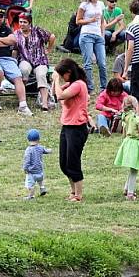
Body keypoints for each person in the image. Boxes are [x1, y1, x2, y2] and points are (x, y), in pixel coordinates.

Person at [0, 6, 32, 115]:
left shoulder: (6, 28)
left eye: (2, 17)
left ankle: (23, 105)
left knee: (18, 77)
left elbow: (13, 40)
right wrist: (4, 42)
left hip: (7, 58)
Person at [52, 58, 89, 202]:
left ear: (69, 72)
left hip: (77, 128)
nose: (61, 78)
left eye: (63, 75)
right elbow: (57, 94)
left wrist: (56, 81)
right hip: (67, 126)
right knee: (64, 163)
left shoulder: (79, 85)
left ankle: (78, 195)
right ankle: (73, 191)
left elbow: (60, 95)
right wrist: (57, 83)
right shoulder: (71, 84)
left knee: (73, 161)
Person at [14, 12, 55, 111]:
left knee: (41, 75)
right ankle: (22, 100)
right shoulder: (16, 34)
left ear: (30, 23)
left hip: (40, 59)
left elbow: (52, 36)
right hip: (25, 59)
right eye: (20, 22)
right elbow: (14, 50)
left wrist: (48, 49)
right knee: (23, 70)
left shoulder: (37, 31)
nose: (22, 24)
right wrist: (14, 61)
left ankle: (44, 103)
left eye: (25, 22)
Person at [113, 96, 139, 201]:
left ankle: (126, 188)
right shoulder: (137, 118)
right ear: (135, 106)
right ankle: (130, 193)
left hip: (128, 142)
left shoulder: (126, 116)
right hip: (135, 144)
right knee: (134, 169)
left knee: (131, 168)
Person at [76, 0, 107, 93]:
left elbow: (103, 21)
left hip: (98, 35)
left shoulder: (101, 4)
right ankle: (90, 87)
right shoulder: (84, 5)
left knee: (102, 63)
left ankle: (104, 87)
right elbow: (78, 20)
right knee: (88, 63)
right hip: (86, 34)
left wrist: (102, 35)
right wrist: (90, 20)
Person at [22, 129, 51, 200]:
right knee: (40, 181)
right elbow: (45, 151)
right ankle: (42, 188)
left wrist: (25, 168)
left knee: (30, 185)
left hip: (31, 173)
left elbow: (27, 161)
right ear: (38, 139)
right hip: (40, 171)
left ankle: (31, 196)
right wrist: (50, 150)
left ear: (28, 139)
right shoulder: (40, 147)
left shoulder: (28, 150)